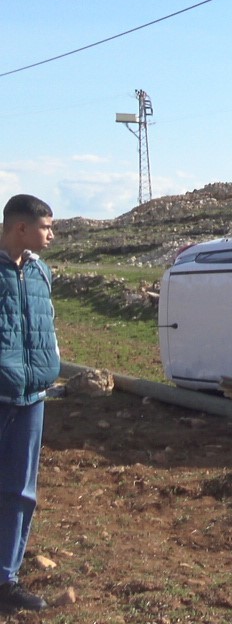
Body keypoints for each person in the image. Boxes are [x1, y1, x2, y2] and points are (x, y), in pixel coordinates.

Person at [0, 195, 58, 613]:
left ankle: (6, 580)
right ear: (20, 228)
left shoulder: (41, 272)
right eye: (45, 227)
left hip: (32, 398)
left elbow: (44, 325)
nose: (51, 234)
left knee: (21, 492)